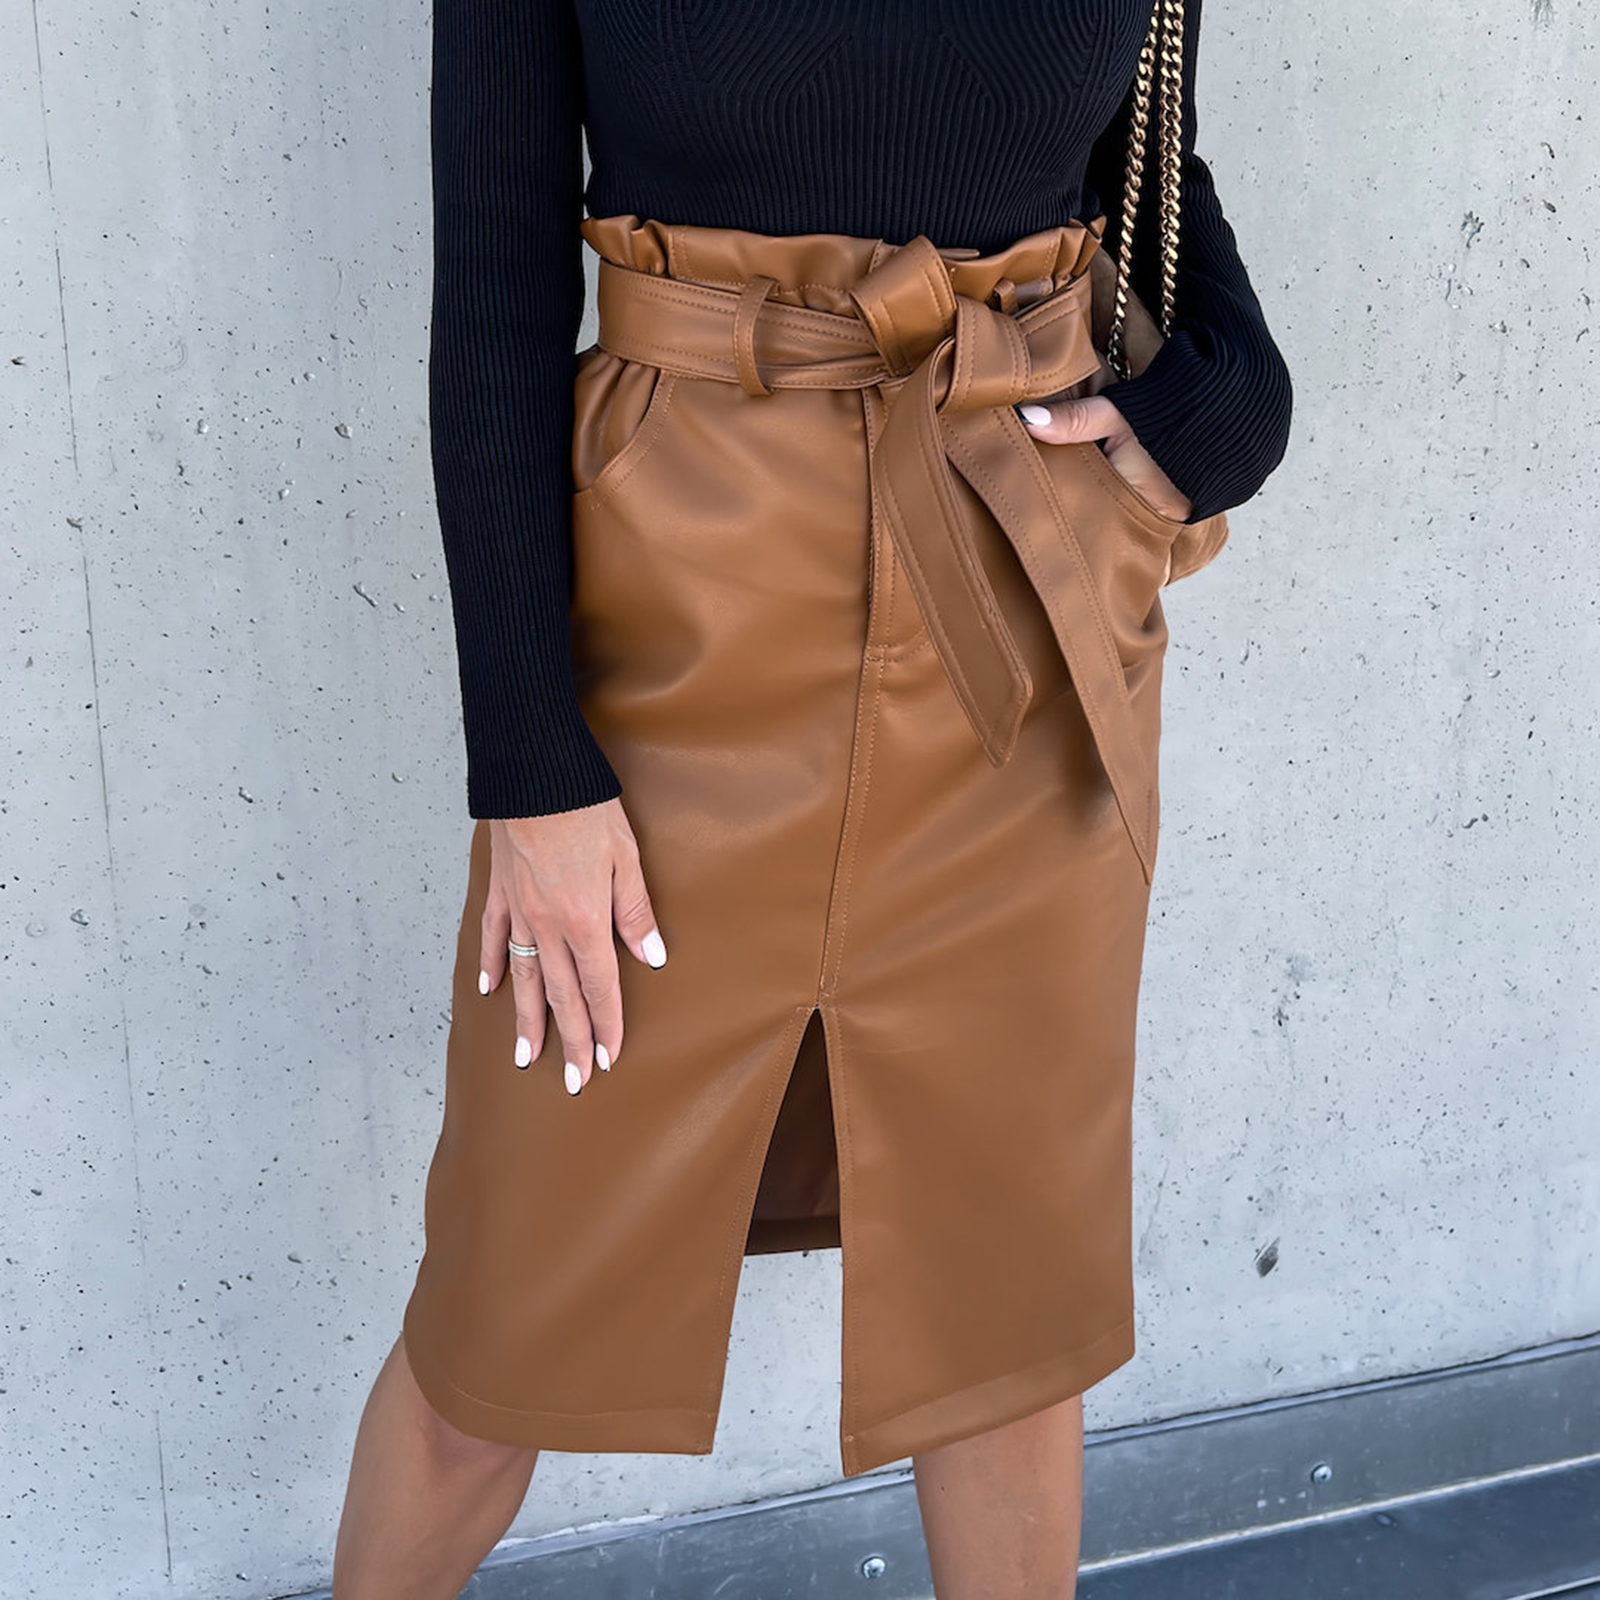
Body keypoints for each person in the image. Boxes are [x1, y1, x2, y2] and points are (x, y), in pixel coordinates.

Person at [333, 1, 1293, 1596]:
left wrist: (1230, 405)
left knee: (1003, 1329)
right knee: (497, 1331)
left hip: (1020, 637)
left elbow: (1147, 155)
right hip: (669, 637)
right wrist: (530, 770)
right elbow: (496, 284)